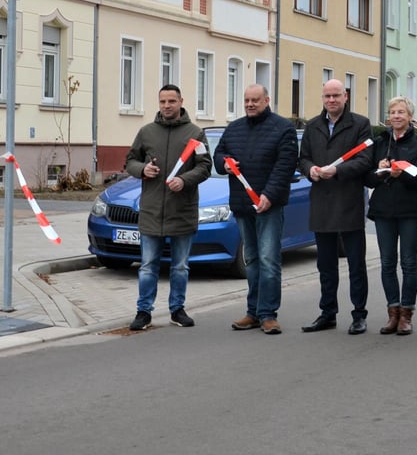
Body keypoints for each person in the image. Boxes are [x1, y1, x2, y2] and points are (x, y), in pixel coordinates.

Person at [124, 84, 211, 331]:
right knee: (148, 266)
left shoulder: (195, 134)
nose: (166, 106)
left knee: (180, 266)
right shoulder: (146, 132)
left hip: (182, 211)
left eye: (171, 101)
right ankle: (143, 312)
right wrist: (143, 170)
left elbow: (204, 167)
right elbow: (130, 161)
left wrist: (184, 180)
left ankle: (177, 309)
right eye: (162, 101)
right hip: (152, 212)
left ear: (181, 101)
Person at [214, 84, 298, 335]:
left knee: (268, 259)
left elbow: (285, 166)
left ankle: (269, 314)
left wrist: (269, 196)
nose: (250, 104)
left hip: (268, 206)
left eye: (255, 100)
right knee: (251, 260)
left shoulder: (283, 128)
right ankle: (253, 312)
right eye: (246, 100)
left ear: (267, 100)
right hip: (242, 205)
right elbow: (219, 154)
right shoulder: (234, 128)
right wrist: (224, 164)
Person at [298, 80, 374, 335]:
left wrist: (337, 170)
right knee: (325, 264)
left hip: (348, 200)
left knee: (355, 263)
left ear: (346, 96)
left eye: (336, 95)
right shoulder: (313, 125)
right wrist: (310, 170)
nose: (331, 100)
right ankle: (327, 312)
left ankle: (359, 314)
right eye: (327, 96)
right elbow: (303, 157)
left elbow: (365, 159)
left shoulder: (360, 124)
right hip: (321, 201)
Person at [365, 96, 417, 335]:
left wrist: (398, 172)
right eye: (393, 112)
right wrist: (380, 171)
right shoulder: (380, 142)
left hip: (410, 210)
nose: (396, 116)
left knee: (409, 262)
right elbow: (368, 178)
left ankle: (406, 314)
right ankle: (392, 311)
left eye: (401, 112)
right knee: (387, 263)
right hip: (383, 210)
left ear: (410, 116)